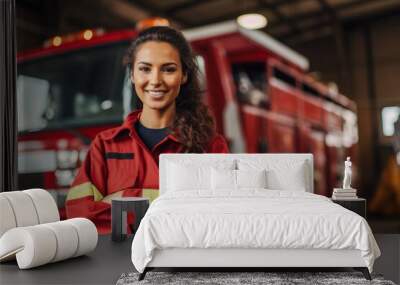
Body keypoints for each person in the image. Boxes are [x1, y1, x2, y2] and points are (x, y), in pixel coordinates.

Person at [65, 26, 229, 234]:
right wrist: (170, 207)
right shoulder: (105, 145)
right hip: (114, 264)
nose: (155, 80)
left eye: (168, 69)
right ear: (132, 74)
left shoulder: (211, 145)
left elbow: (218, 218)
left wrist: (122, 199)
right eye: (145, 69)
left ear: (184, 75)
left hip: (182, 265)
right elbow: (80, 216)